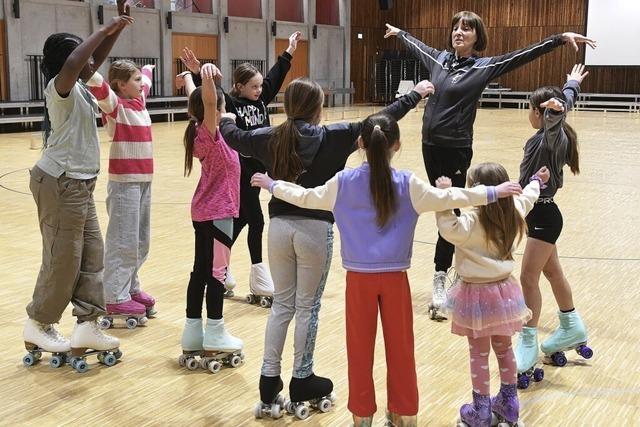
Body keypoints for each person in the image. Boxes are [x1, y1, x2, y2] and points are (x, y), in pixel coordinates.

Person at [250, 115, 523, 426]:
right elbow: (451, 196)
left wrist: (274, 185)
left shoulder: (343, 182)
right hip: (395, 281)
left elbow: (305, 196)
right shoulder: (409, 184)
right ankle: (404, 415)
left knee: (359, 354)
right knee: (402, 352)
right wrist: (492, 192)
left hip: (359, 283)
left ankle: (362, 417)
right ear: (396, 145)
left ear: (360, 144)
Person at [219, 77, 433, 420]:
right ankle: (302, 379)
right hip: (315, 231)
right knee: (307, 308)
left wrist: (226, 112)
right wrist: (415, 95)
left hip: (278, 229)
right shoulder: (334, 136)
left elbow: (234, 137)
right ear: (319, 109)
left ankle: (268, 380)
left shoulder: (270, 136)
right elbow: (382, 119)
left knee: (281, 307)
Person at [384, 11, 596, 317]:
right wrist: (401, 32)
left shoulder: (483, 67)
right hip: (430, 146)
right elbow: (417, 46)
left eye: (466, 29)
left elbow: (520, 55)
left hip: (456, 149)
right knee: (441, 206)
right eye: (456, 27)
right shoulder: (440, 60)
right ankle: (443, 277)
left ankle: (449, 279)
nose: (459, 32)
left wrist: (559, 39)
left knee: (452, 208)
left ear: (477, 37)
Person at [22, 3, 133, 368]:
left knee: (91, 256)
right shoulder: (60, 88)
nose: (89, 64)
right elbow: (75, 64)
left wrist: (116, 29)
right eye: (80, 56)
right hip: (60, 182)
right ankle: (39, 322)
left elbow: (88, 61)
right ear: (66, 61)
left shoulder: (83, 86)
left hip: (80, 186)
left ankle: (87, 323)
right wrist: (103, 28)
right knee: (63, 259)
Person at [179, 31, 302, 304]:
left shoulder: (261, 99)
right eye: (253, 87)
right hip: (240, 171)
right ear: (239, 87)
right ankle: (259, 278)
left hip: (260, 169)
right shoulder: (231, 104)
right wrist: (200, 72)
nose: (259, 90)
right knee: (256, 220)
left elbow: (276, 75)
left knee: (243, 219)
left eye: (260, 87)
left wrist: (290, 51)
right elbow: (211, 97)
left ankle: (220, 267)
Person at [436, 162, 548, 426]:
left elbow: (448, 227)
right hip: (504, 293)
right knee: (504, 347)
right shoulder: (514, 213)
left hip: (475, 295)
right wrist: (536, 182)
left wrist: (444, 197)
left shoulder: (471, 222)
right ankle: (509, 403)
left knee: (478, 353)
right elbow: (528, 199)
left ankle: (482, 409)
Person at [515, 64, 593, 389]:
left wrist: (555, 112)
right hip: (542, 215)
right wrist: (571, 85)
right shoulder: (545, 137)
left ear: (539, 112)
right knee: (552, 273)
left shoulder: (550, 137)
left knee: (528, 277)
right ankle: (571, 324)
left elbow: (553, 124)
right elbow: (556, 114)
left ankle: (529, 340)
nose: (531, 114)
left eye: (534, 110)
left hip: (544, 217)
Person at [176, 64, 243, 372]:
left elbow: (199, 99)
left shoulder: (200, 130)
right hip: (218, 214)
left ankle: (193, 333)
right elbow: (209, 101)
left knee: (199, 272)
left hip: (204, 212)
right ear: (212, 110)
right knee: (216, 274)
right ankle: (215, 330)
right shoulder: (211, 132)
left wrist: (192, 76)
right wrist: (205, 77)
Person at [86, 60, 157, 325]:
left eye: (140, 80)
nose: (141, 85)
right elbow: (100, 87)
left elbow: (147, 82)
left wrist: (148, 69)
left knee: (140, 240)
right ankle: (114, 295)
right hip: (124, 183)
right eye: (135, 80)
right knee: (122, 240)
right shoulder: (115, 107)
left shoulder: (140, 102)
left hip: (144, 181)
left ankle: (129, 286)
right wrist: (86, 68)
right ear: (121, 85)